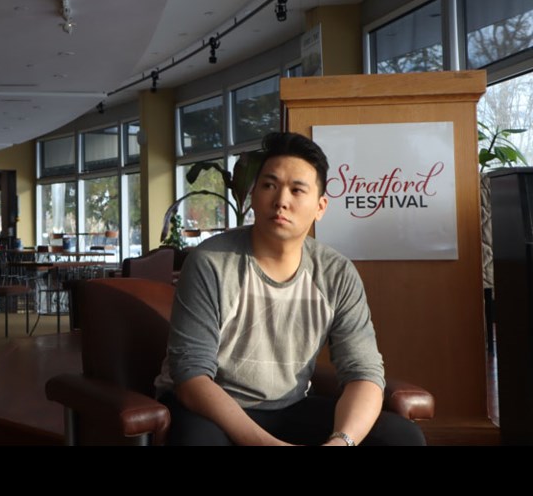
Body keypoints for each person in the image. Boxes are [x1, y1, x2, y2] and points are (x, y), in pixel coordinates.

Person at [155, 131, 426, 446]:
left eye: (297, 190)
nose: (281, 201)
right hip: (209, 407)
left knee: (402, 437)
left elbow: (363, 372)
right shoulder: (211, 263)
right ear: (253, 196)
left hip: (289, 405)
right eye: (269, 186)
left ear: (320, 206)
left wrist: (341, 442)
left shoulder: (336, 273)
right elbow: (190, 376)